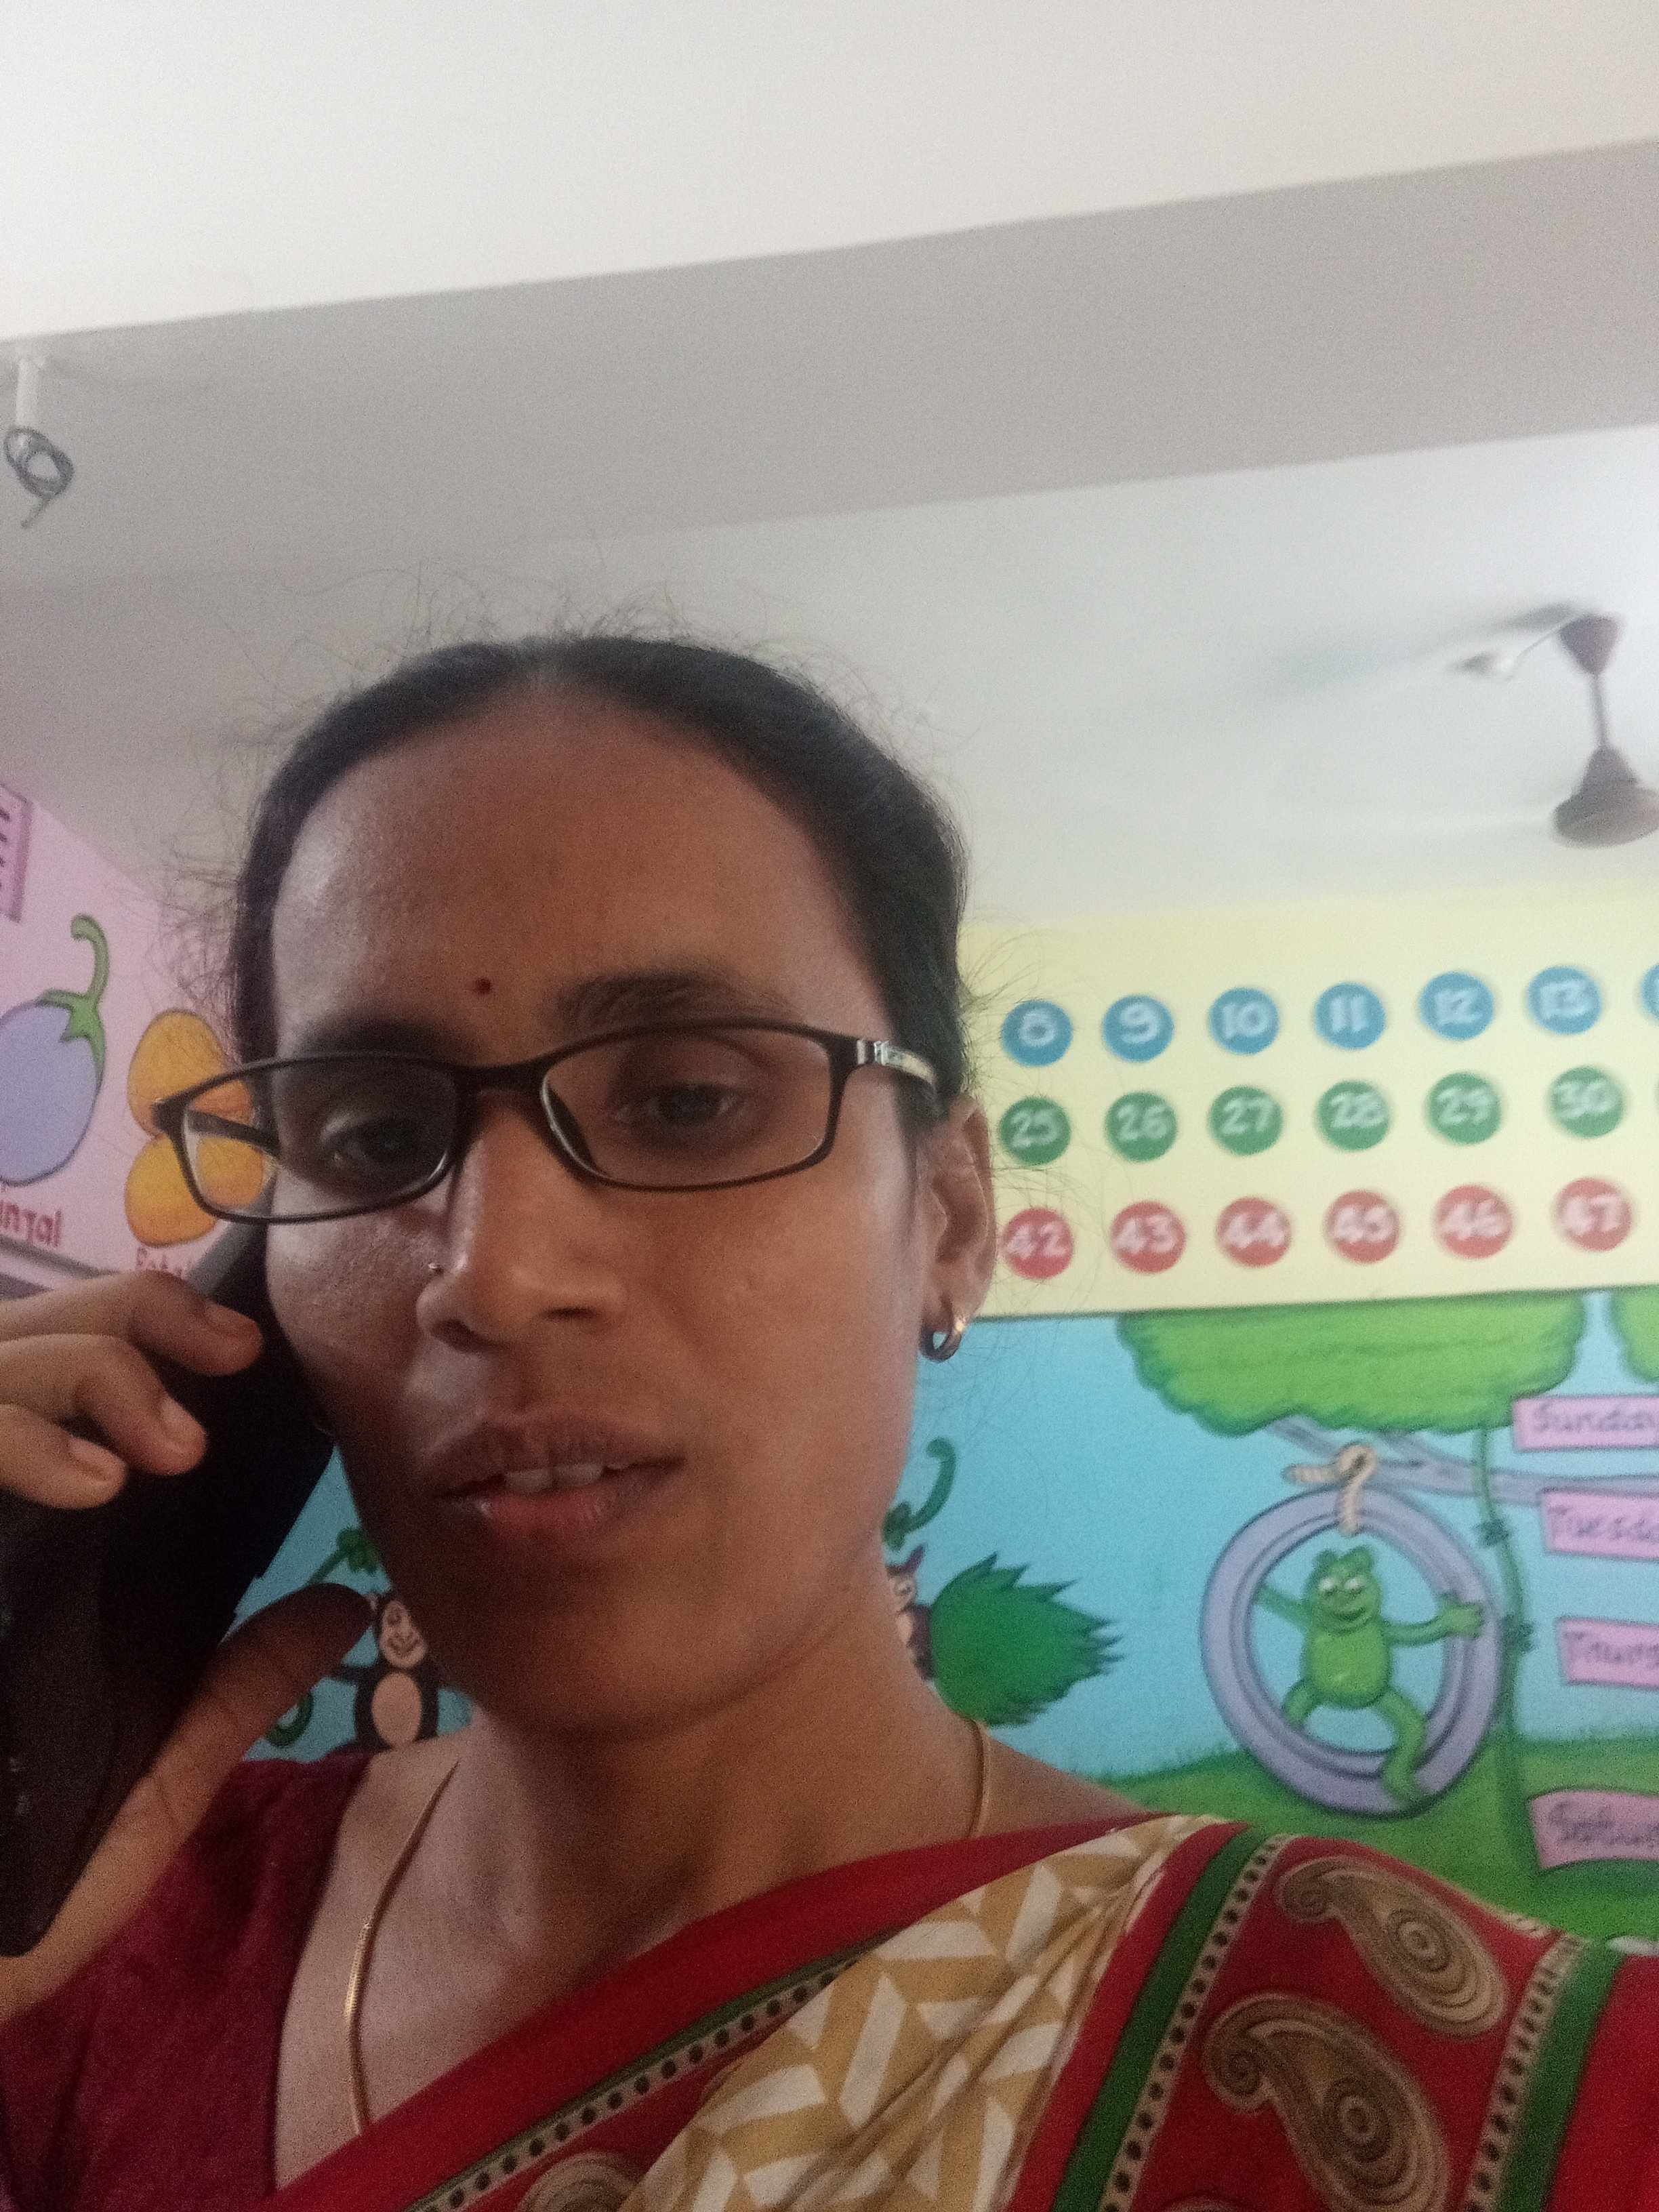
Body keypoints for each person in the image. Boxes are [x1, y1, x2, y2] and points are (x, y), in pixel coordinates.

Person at [0, 635, 1654, 2211]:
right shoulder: (98, 1948)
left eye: (689, 1101)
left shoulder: (1450, 2072)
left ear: (949, 1217)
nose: (494, 1277)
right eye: (371, 1138)